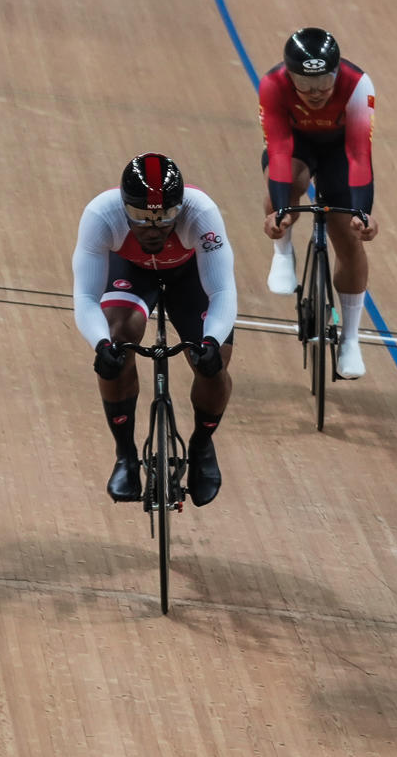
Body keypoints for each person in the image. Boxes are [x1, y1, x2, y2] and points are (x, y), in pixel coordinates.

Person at [72, 153, 235, 507]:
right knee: (117, 344)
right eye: (141, 217)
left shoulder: (202, 212)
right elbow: (85, 295)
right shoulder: (101, 215)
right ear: (123, 206)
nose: (153, 228)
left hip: (188, 274)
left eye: (165, 217)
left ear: (181, 207)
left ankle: (201, 446)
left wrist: (211, 341)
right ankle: (126, 454)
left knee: (213, 365)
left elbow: (222, 290)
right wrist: (101, 345)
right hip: (132, 271)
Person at [259, 28, 379, 377]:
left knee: (348, 237)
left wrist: (362, 214)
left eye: (324, 82)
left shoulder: (357, 84)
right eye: (304, 83)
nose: (315, 92)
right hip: (296, 145)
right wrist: (280, 211)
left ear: (337, 72)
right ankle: (283, 252)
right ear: (289, 76)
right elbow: (279, 150)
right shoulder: (272, 85)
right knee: (290, 183)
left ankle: (351, 339)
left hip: (342, 150)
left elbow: (359, 153)